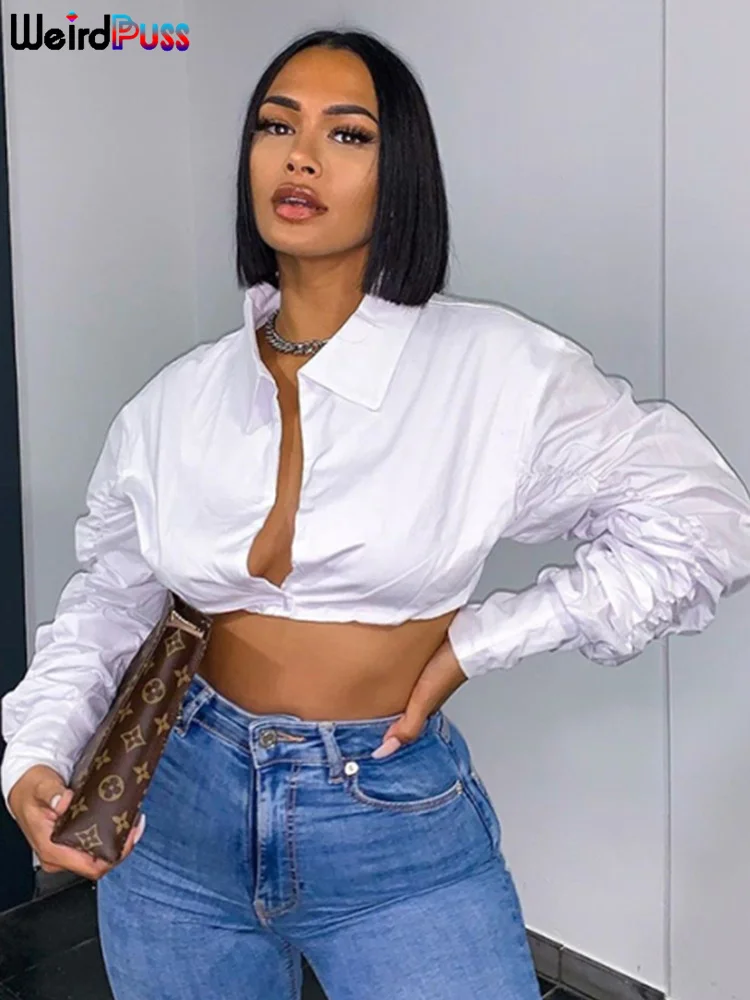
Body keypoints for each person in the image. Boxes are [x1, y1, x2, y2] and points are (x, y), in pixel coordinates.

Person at [3, 26, 750, 1000]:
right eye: (277, 126)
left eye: (347, 133)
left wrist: (480, 640)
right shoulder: (174, 404)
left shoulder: (496, 373)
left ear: (402, 175)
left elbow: (704, 522)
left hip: (389, 815)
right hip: (178, 814)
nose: (301, 155)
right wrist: (35, 751)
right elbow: (112, 599)